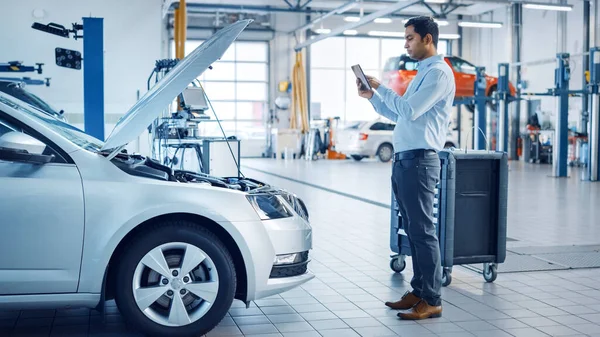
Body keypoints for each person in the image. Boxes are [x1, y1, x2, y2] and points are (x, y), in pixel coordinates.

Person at [356, 16, 456, 320]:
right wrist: (372, 95)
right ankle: (419, 290)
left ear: (428, 39)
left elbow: (409, 110)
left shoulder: (438, 74)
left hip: (420, 161)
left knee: (423, 232)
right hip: (406, 161)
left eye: (410, 38)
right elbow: (400, 114)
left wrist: (383, 88)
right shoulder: (423, 73)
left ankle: (433, 299)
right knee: (413, 231)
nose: (406, 44)